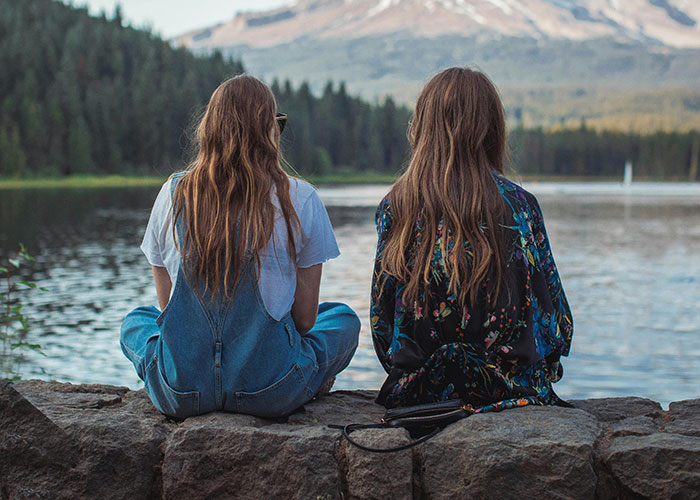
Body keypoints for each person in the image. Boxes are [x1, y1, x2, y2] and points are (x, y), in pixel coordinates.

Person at [121, 75, 360, 419]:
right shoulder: (301, 198)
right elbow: (306, 321)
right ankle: (308, 374)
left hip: (183, 392)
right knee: (341, 318)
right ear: (269, 132)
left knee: (137, 320)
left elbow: (167, 311)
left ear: (210, 130)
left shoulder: (173, 194)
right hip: (270, 391)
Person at [370, 67, 573, 411]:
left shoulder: (396, 206)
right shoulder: (520, 206)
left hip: (421, 391)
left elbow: (382, 324)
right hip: (509, 389)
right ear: (492, 130)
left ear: (422, 127)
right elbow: (557, 324)